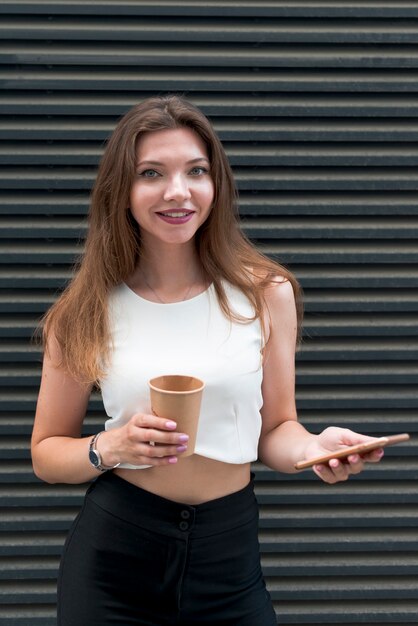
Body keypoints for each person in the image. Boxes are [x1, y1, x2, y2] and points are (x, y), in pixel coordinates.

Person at [31, 95, 385, 626]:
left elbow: (276, 429)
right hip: (116, 557)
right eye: (151, 173)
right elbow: (46, 453)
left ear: (215, 184)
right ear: (121, 191)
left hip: (229, 553)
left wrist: (314, 448)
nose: (178, 192)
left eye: (196, 171)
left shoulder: (267, 293)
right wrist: (112, 445)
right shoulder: (84, 312)